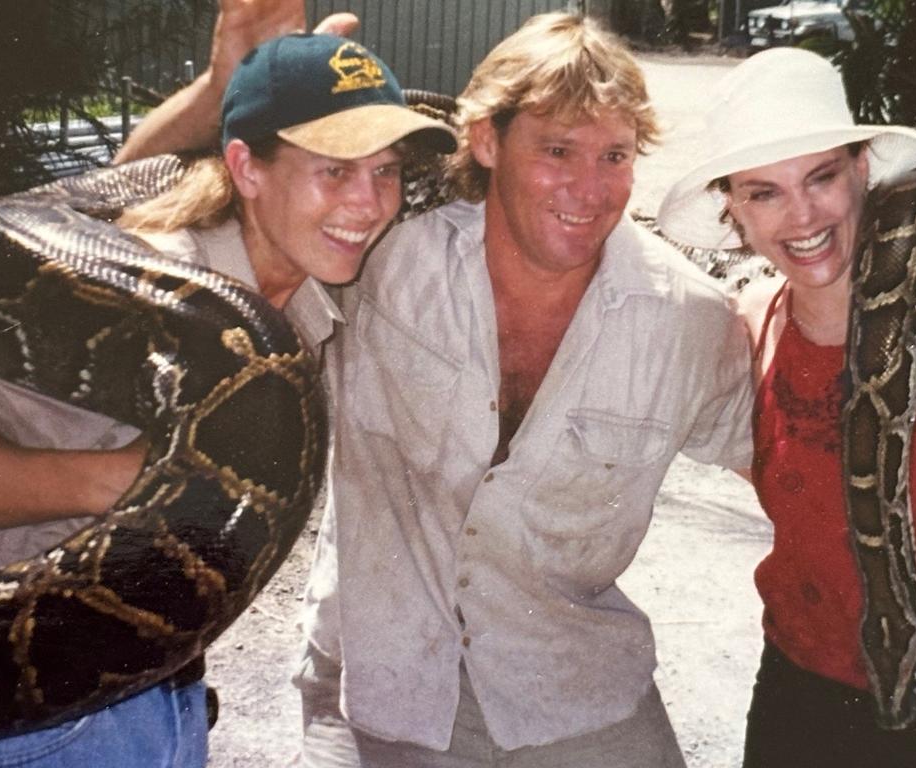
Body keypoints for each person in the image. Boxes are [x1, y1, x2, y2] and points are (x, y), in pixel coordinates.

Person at [0, 24, 455, 768]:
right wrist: (136, 479)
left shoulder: (305, 292)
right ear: (247, 168)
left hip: (149, 700)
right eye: (335, 170)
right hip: (31, 734)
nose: (369, 204)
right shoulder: (133, 301)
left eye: (387, 171)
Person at [293, 12, 755, 767]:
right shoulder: (378, 258)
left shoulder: (689, 321)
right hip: (382, 676)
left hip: (570, 686)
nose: (589, 188)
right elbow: (192, 242)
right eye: (557, 150)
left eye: (614, 155)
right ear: (485, 141)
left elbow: (788, 472)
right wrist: (235, 87)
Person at [655, 47, 916, 768]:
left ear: (863, 172)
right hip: (799, 690)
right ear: (734, 211)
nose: (802, 216)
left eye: (820, 178)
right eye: (764, 192)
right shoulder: (749, 323)